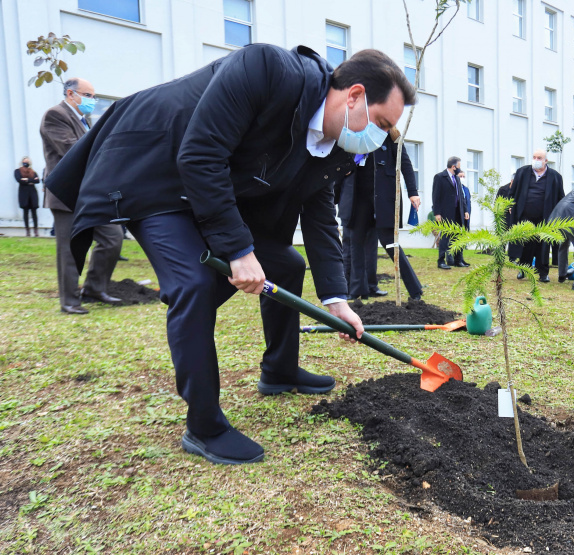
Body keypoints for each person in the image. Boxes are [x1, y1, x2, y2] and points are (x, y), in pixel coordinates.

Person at [46, 46, 414, 465]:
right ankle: (204, 426)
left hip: (207, 184)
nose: (380, 138)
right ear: (354, 95)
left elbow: (319, 215)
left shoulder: (335, 147)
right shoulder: (267, 70)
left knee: (287, 264)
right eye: (381, 123)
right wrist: (238, 250)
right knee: (195, 284)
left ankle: (279, 370)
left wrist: (337, 299)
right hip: (152, 171)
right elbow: (201, 153)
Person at [40, 77, 124, 315]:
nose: (92, 100)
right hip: (66, 194)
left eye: (93, 96)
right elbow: (71, 150)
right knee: (69, 248)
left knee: (112, 238)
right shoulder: (54, 115)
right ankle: (69, 301)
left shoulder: (83, 120)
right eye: (87, 95)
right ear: (70, 94)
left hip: (89, 194)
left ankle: (94, 289)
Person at [339, 129, 423, 301]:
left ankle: (415, 289)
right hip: (357, 197)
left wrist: (412, 192)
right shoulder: (353, 133)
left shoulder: (389, 135)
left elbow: (405, 163)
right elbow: (338, 160)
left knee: (390, 243)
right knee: (356, 244)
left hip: (383, 197)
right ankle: (356, 291)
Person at [509, 149, 565, 281]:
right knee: (525, 244)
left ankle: (543, 273)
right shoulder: (522, 172)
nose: (536, 160)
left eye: (539, 158)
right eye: (534, 157)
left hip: (545, 217)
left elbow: (560, 197)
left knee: (543, 246)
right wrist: (510, 205)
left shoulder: (555, 176)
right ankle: (523, 270)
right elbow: (513, 191)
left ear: (546, 161)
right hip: (525, 216)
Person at [431, 156, 469, 269]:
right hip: (446, 212)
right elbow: (435, 196)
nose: (459, 169)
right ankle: (441, 261)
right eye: (458, 167)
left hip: (458, 212)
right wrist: (437, 213)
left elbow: (461, 196)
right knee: (446, 236)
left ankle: (458, 260)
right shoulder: (439, 177)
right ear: (453, 166)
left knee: (458, 236)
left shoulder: (456, 178)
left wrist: (465, 210)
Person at [14, 157, 40, 237]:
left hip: (32, 193)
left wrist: (26, 180)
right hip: (23, 193)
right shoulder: (17, 171)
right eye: (25, 161)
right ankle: (27, 231)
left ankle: (36, 231)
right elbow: (19, 179)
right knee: (25, 212)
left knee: (34, 212)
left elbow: (37, 181)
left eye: (27, 161)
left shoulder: (33, 171)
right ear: (22, 162)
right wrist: (31, 180)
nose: (26, 163)